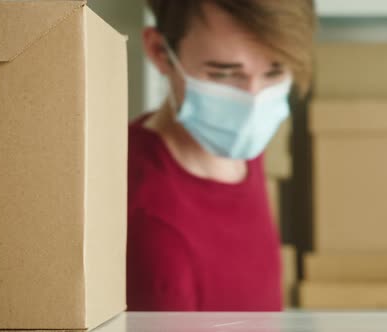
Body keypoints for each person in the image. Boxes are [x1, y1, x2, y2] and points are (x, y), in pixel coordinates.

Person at [126, 0, 315, 311]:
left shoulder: (238, 148)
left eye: (274, 71)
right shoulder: (147, 220)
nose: (252, 101)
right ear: (161, 52)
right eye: (224, 75)